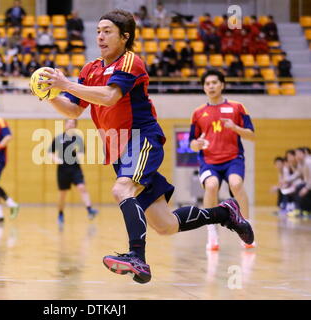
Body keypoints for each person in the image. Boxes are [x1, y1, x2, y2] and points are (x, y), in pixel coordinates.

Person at [37, 10, 254, 284]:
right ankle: (226, 213)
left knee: (122, 189)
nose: (100, 36)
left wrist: (65, 83)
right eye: (99, 31)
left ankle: (137, 256)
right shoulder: (89, 70)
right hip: (119, 149)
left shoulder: (131, 62)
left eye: (107, 31)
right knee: (165, 225)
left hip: (142, 140)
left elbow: (109, 97)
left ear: (124, 36)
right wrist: (49, 95)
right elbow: (72, 110)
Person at [189, 69, 256, 251]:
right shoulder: (198, 113)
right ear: (204, 87)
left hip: (233, 158)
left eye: (214, 83)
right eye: (207, 83)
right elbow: (192, 143)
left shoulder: (237, 107)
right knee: (211, 186)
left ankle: (246, 229)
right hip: (209, 161)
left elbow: (251, 135)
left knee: (236, 184)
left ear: (222, 85)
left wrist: (235, 128)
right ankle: (211, 233)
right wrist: (197, 143)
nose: (211, 86)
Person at [48, 119, 99, 227]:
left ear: (75, 126)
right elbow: (50, 152)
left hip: (75, 168)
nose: (71, 125)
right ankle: (60, 214)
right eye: (69, 123)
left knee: (82, 187)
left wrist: (77, 157)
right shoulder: (58, 138)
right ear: (65, 124)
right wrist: (56, 159)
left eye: (73, 123)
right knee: (63, 194)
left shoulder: (78, 139)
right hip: (62, 169)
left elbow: (81, 152)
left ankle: (90, 210)